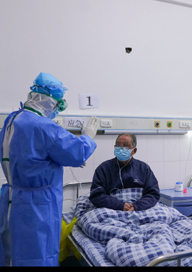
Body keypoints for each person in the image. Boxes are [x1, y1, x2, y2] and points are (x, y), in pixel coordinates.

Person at [0, 72, 99, 266]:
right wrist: (88, 135)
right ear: (48, 101)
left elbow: (27, 157)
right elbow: (78, 152)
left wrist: (56, 159)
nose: (57, 108)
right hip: (36, 208)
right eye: (58, 104)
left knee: (12, 254)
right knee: (38, 256)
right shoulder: (43, 126)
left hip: (12, 201)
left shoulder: (12, 120)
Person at [89, 133, 160, 211]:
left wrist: (136, 207)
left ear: (134, 150)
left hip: (140, 208)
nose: (121, 148)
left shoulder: (143, 168)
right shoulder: (103, 169)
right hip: (112, 209)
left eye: (126, 146)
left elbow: (153, 194)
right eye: (118, 145)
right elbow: (96, 196)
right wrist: (120, 205)